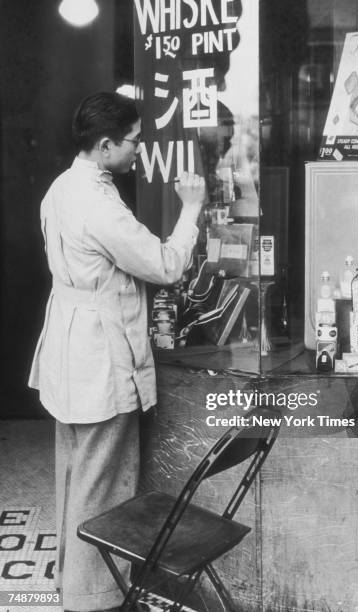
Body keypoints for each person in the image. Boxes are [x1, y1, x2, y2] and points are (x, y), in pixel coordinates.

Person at [28, 92, 205, 612]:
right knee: (103, 484)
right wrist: (191, 207)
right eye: (133, 141)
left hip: (69, 347)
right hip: (100, 356)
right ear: (105, 146)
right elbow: (165, 264)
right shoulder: (100, 205)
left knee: (76, 470)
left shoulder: (61, 188)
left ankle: (71, 584)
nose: (139, 149)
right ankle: (94, 599)